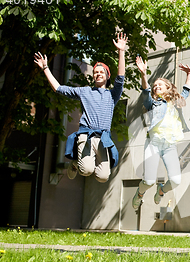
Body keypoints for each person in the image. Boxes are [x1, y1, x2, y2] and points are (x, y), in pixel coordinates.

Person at [34, 32, 128, 183]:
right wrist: (45, 68)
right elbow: (59, 88)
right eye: (95, 72)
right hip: (86, 135)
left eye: (101, 72)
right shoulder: (85, 91)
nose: (97, 74)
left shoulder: (113, 95)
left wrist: (121, 51)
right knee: (86, 170)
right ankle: (76, 163)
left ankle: (81, 162)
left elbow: (121, 77)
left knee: (104, 177)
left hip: (103, 138)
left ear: (107, 75)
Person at [131, 56, 190, 209]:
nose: (156, 86)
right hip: (153, 143)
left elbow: (185, 92)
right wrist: (143, 74)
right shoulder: (153, 103)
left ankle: (161, 191)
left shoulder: (176, 101)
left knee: (176, 180)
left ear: (168, 88)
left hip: (169, 145)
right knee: (149, 181)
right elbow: (145, 91)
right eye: (155, 85)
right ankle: (139, 193)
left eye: (160, 84)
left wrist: (189, 75)